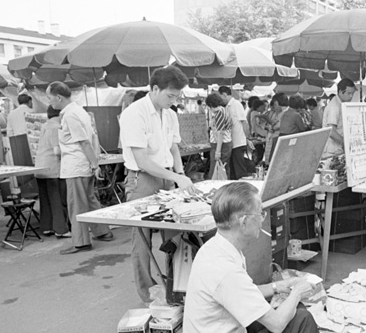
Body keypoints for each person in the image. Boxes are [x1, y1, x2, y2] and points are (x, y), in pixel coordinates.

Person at [181, 182, 338, 333]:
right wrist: (297, 291)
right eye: (260, 213)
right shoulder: (225, 269)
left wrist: (279, 287)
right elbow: (275, 325)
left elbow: (240, 295)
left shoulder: (217, 248)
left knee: (289, 307)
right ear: (244, 221)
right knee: (299, 318)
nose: (263, 218)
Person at [119, 66, 196, 303]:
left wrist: (180, 174)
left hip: (167, 177)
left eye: (176, 96)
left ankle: (175, 287)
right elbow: (142, 159)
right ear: (154, 89)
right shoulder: (135, 113)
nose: (173, 101)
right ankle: (147, 292)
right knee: (141, 240)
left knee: (174, 235)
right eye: (170, 96)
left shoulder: (170, 114)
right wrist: (176, 178)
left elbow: (173, 147)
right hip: (141, 177)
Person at [46, 82, 113, 255]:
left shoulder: (70, 115)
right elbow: (89, 139)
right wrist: (93, 163)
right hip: (83, 163)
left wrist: (94, 164)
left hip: (76, 165)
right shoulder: (79, 111)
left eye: (50, 98)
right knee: (89, 200)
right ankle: (102, 231)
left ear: (58, 97)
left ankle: (81, 242)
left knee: (76, 204)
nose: (49, 102)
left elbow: (83, 141)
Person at [34, 105, 70, 238]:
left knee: (45, 200)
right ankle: (61, 230)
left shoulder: (45, 126)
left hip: (40, 167)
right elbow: (57, 151)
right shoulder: (56, 127)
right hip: (52, 168)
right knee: (57, 200)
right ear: (60, 114)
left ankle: (47, 227)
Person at [220, 86, 254, 179]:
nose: (221, 100)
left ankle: (243, 188)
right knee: (233, 169)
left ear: (224, 94)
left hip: (238, 142)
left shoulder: (236, 104)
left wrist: (247, 139)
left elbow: (244, 122)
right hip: (231, 142)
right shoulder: (227, 106)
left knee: (239, 169)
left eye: (221, 97)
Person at [322, 78, 356, 158]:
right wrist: (346, 143)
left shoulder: (340, 104)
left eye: (352, 93)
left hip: (336, 149)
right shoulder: (334, 106)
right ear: (341, 92)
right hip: (332, 151)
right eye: (349, 93)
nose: (351, 96)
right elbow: (331, 132)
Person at [205, 93, 233, 179]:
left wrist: (218, 151)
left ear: (210, 105)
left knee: (217, 170)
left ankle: (216, 189)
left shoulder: (219, 113)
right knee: (223, 169)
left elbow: (220, 133)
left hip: (221, 144)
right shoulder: (224, 110)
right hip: (225, 144)